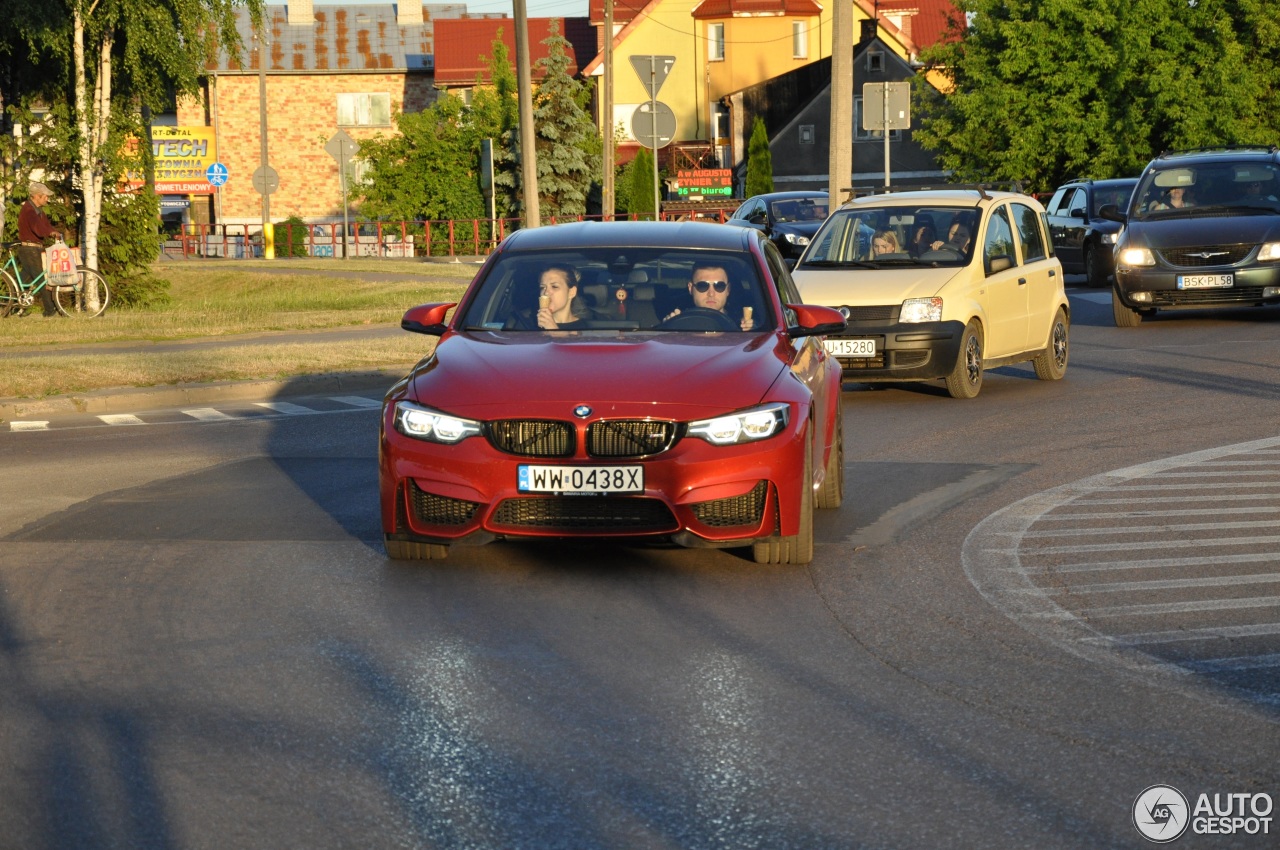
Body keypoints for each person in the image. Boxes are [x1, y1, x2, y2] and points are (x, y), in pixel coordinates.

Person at [16, 182, 65, 317]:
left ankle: (12, 306)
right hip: (29, 250)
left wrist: (54, 232)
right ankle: (50, 310)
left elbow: (46, 226)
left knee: (23, 280)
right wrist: (50, 233)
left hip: (33, 249)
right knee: (41, 279)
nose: (47, 199)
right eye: (45, 197)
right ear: (37, 196)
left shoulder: (38, 211)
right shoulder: (29, 210)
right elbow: (38, 229)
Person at [662, 263, 754, 331]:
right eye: (702, 285)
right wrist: (668, 328)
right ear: (690, 288)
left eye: (719, 286)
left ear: (728, 289)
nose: (711, 293)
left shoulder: (739, 324)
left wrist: (750, 328)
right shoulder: (679, 321)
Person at [507, 265, 590, 330]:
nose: (546, 292)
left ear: (571, 292)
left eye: (554, 286)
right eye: (542, 287)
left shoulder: (585, 329)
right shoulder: (526, 323)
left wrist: (552, 330)